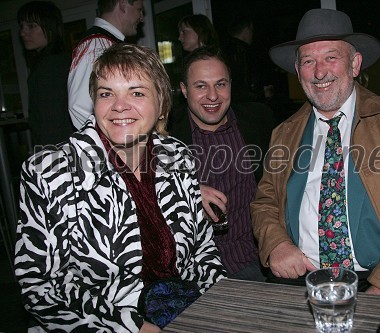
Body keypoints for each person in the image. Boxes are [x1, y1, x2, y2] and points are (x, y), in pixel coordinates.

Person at [251, 9, 380, 299]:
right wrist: (276, 243)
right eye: (308, 61)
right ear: (298, 71)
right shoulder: (282, 134)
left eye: (331, 57)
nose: (320, 72)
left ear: (354, 64)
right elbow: (265, 203)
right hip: (304, 280)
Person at [14, 43, 226, 332]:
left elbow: (203, 251)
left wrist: (223, 305)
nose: (119, 105)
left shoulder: (178, 157)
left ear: (162, 102)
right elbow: (39, 287)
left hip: (184, 311)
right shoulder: (50, 173)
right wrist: (134, 328)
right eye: (106, 93)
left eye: (136, 92)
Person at [168, 46, 275, 281]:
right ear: (184, 90)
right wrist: (186, 190)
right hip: (194, 270)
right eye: (200, 86)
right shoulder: (165, 138)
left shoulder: (260, 121)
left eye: (220, 84)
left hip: (257, 259)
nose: (213, 96)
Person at [67, 0, 145, 129]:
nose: (141, 17)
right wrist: (110, 141)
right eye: (139, 9)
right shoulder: (97, 45)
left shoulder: (105, 44)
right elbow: (80, 106)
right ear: (123, 4)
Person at [17, 1, 74, 146]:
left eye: (31, 26)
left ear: (50, 27)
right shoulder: (54, 61)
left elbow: (51, 121)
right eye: (21, 26)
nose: (23, 32)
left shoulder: (52, 64)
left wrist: (46, 158)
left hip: (56, 151)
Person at [220, 13, 255, 102]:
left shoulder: (222, 49)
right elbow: (243, 83)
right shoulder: (241, 51)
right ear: (247, 29)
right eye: (252, 30)